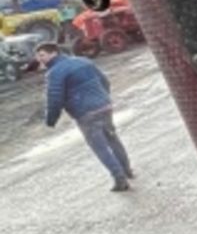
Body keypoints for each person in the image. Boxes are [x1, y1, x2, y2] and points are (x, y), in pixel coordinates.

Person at [36, 41, 135, 192]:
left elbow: (55, 98)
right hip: (104, 107)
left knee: (100, 147)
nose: (39, 59)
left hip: (86, 113)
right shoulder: (83, 61)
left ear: (53, 53)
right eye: (38, 56)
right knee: (113, 139)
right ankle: (127, 171)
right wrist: (103, 98)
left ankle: (119, 179)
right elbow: (104, 81)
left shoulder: (55, 72)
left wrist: (51, 119)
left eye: (42, 55)